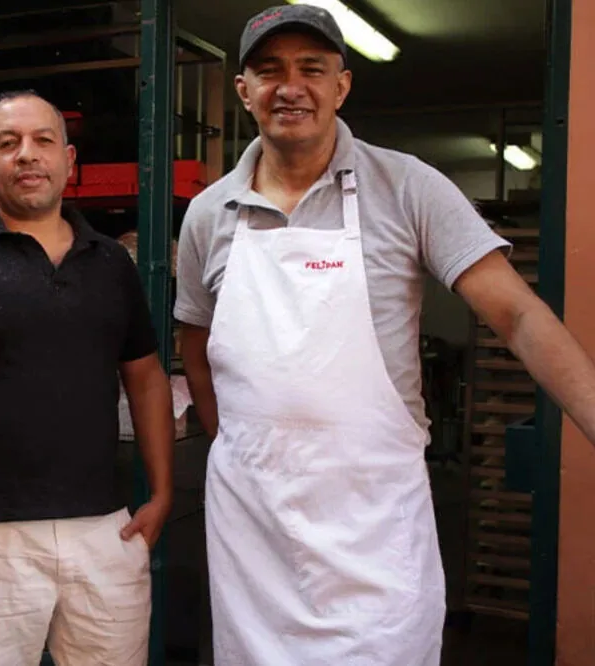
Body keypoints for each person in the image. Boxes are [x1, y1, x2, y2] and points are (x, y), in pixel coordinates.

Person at [175, 5, 595, 666]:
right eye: (270, 70)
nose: (291, 87)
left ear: (341, 86)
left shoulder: (408, 188)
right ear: (243, 90)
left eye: (311, 69)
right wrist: (235, 438)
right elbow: (194, 337)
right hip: (253, 529)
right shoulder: (208, 213)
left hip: (370, 527)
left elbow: (517, 314)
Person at [0, 90, 175, 666]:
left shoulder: (111, 263)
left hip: (105, 531)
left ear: (70, 163)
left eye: (43, 141)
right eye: (8, 143)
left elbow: (146, 378)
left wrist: (163, 490)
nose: (27, 155)